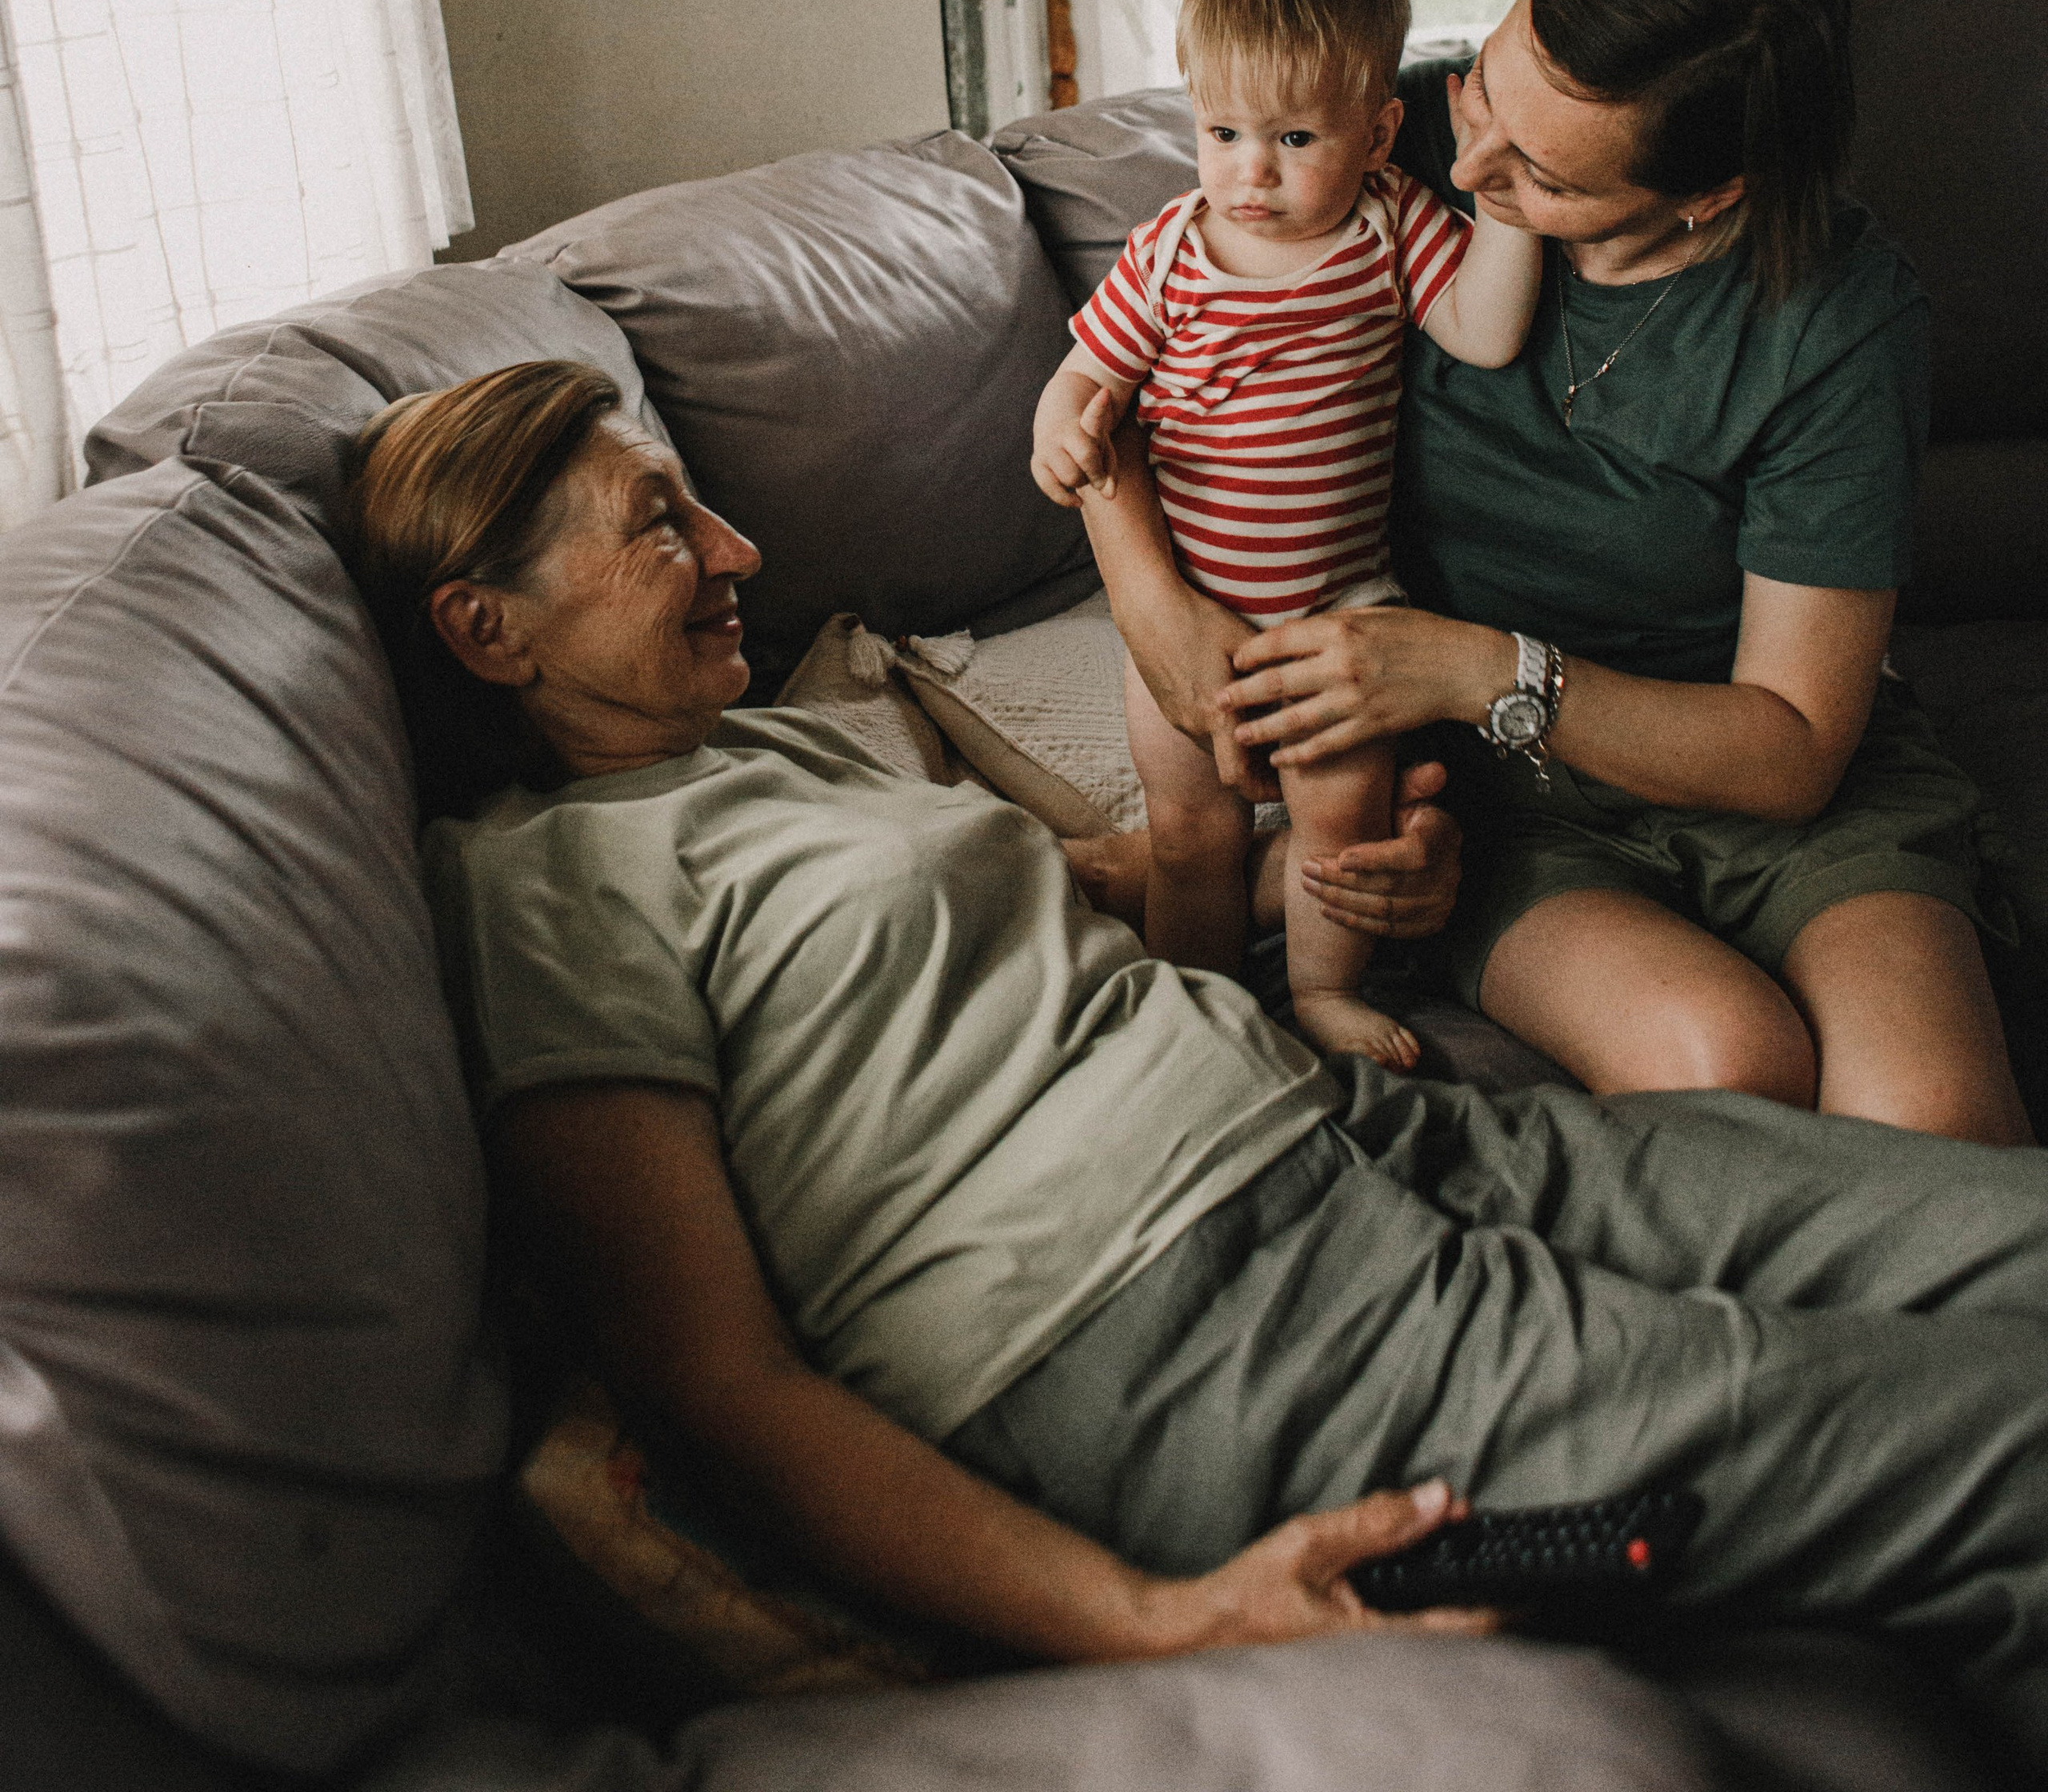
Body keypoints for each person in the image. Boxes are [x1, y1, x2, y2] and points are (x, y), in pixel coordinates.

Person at [346, 356, 2048, 1764]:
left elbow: (1122, 944)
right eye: (657, 522)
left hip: (1363, 1135)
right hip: (1180, 1320)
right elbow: (711, 1381)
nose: (731, 544)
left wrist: (1349, 893)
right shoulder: (540, 888)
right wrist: (1147, 1621)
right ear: (491, 633)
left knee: (1997, 1226)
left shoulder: (774, 749)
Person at [1082, 0, 2030, 1145]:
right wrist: (1160, 611)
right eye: (1489, 91)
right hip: (1507, 803)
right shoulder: (1383, 135)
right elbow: (1147, 366)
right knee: (1726, 1063)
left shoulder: (1836, 319)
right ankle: (1232, 874)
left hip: (1766, 781)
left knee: (1929, 1130)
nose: (1468, 171)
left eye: (1541, 176)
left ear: (1707, 195)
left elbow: (1791, 748)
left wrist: (1475, 667)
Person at [1030, 0, 1540, 1066]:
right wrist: (1059, 434)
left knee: (1340, 832)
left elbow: (1489, 331)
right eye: (1222, 132)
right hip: (1190, 612)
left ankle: (1317, 995)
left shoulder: (1389, 226)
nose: (1249, 172)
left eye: (1294, 137)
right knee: (1188, 833)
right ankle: (1196, 1004)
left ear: (1379, 133)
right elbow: (1084, 378)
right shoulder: (1170, 250)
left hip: (1339, 623)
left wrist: (1499, 204)